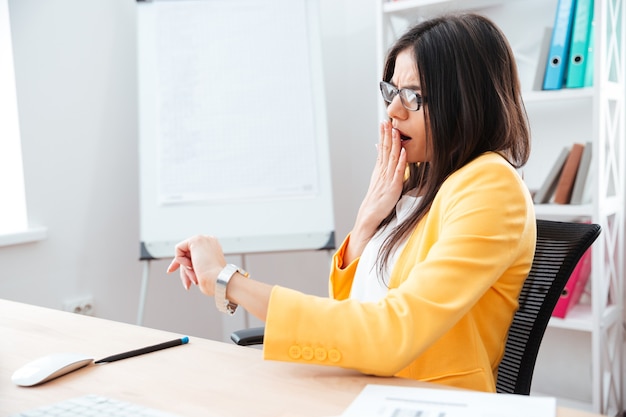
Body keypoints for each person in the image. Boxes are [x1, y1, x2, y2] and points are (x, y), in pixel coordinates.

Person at [167, 12, 536, 393]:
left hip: (430, 398)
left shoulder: (491, 187)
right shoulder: (416, 183)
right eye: (391, 92)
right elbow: (352, 315)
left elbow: (388, 336)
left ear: (467, 101)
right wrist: (366, 221)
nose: (393, 110)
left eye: (414, 96)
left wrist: (226, 280)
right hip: (369, 387)